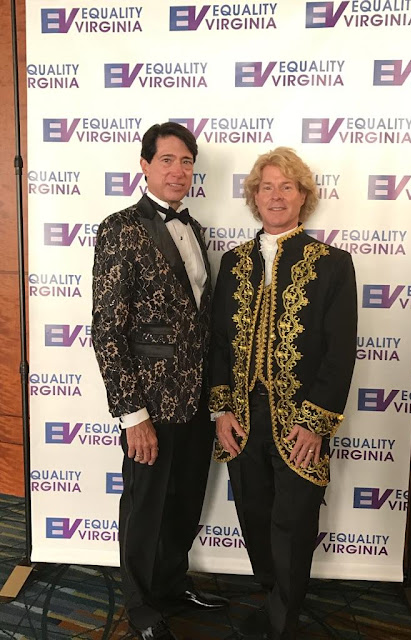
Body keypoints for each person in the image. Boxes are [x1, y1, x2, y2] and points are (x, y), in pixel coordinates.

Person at [209, 147, 357, 640]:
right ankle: (274, 597)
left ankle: (282, 621)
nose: (276, 196)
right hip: (242, 417)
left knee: (293, 522)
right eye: (266, 187)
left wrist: (315, 422)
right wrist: (221, 410)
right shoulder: (233, 262)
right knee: (254, 515)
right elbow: (218, 342)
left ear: (302, 197)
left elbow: (340, 351)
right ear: (254, 197)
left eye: (286, 187)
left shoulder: (333, 264)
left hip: (299, 418)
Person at [92, 122, 227, 640]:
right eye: (167, 160)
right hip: (149, 403)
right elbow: (107, 330)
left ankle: (171, 586)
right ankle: (140, 605)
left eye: (187, 162)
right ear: (145, 165)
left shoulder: (196, 229)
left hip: (195, 399)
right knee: (146, 507)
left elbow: (197, 322)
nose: (178, 170)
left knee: (184, 501)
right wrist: (133, 415)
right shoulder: (120, 228)